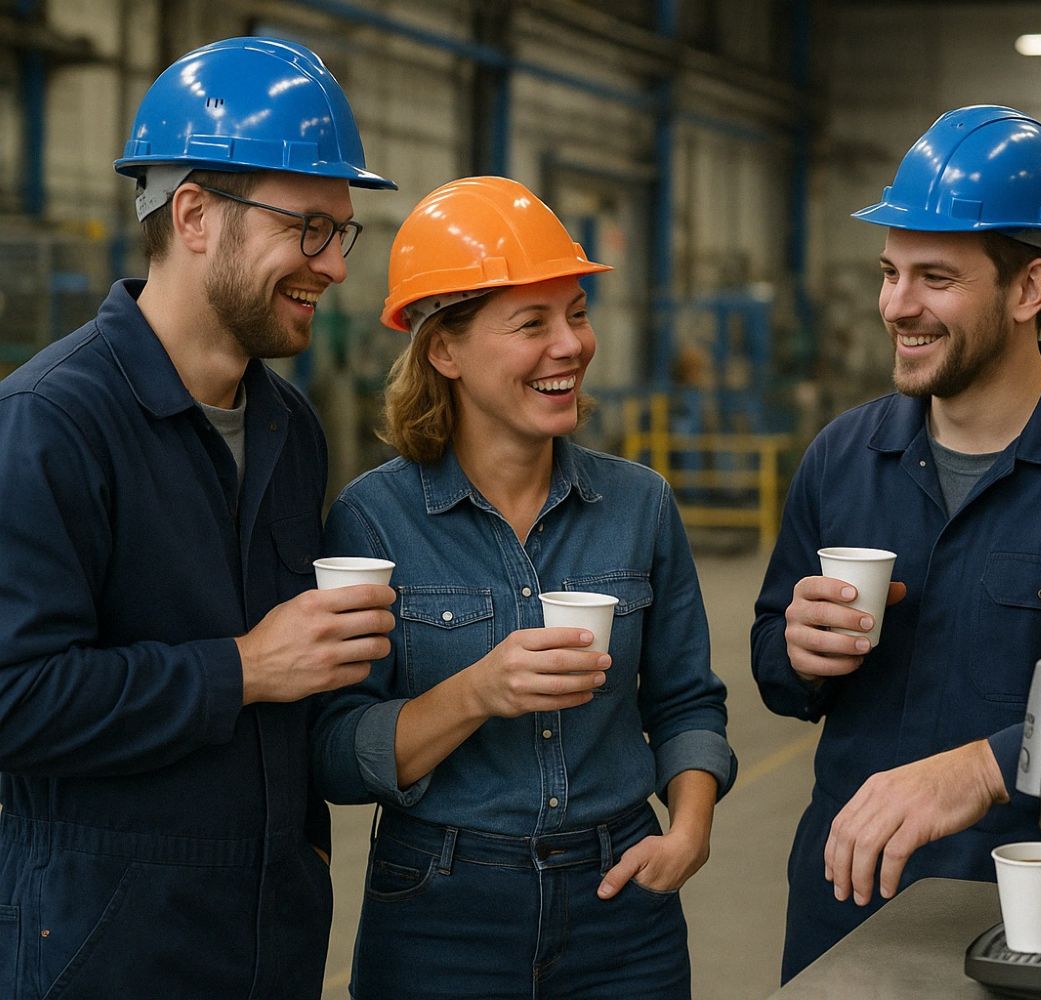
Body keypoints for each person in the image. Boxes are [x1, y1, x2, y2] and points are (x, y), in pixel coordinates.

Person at [751, 105, 1041, 981]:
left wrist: (992, 768)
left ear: (1029, 289)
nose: (897, 306)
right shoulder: (842, 460)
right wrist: (796, 648)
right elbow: (777, 677)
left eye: (934, 277)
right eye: (890, 273)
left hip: (1036, 923)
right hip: (843, 905)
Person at [0, 37, 397, 999]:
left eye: (342, 234)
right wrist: (245, 669)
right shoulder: (50, 424)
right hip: (104, 949)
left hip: (271, 939)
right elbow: (14, 699)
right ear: (193, 215)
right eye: (308, 228)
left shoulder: (289, 427)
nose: (334, 267)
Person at [310, 176, 736, 999]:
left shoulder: (639, 504)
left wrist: (689, 830)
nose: (570, 345)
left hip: (623, 901)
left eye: (576, 313)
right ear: (445, 350)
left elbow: (686, 701)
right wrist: (477, 691)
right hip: (440, 907)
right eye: (531, 323)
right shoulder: (373, 521)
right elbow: (334, 754)